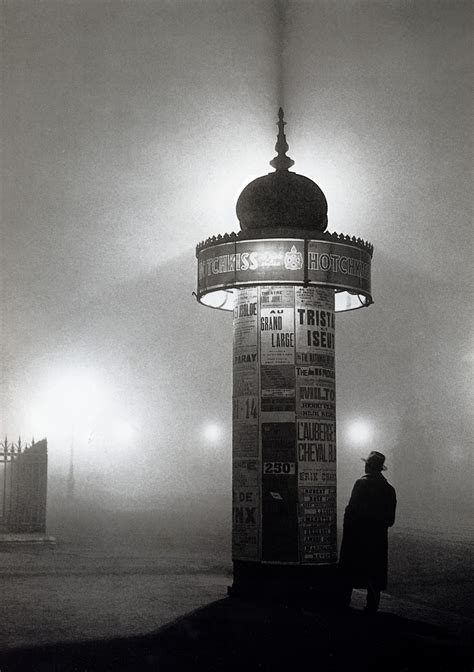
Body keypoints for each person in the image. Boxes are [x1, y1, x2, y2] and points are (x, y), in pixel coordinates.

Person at [339, 451, 397, 613]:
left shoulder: (361, 484)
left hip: (357, 536)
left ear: (369, 466)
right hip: (377, 539)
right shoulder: (389, 489)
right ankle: (372, 605)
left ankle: (344, 603)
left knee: (350, 570)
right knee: (375, 572)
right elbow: (390, 520)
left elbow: (351, 511)